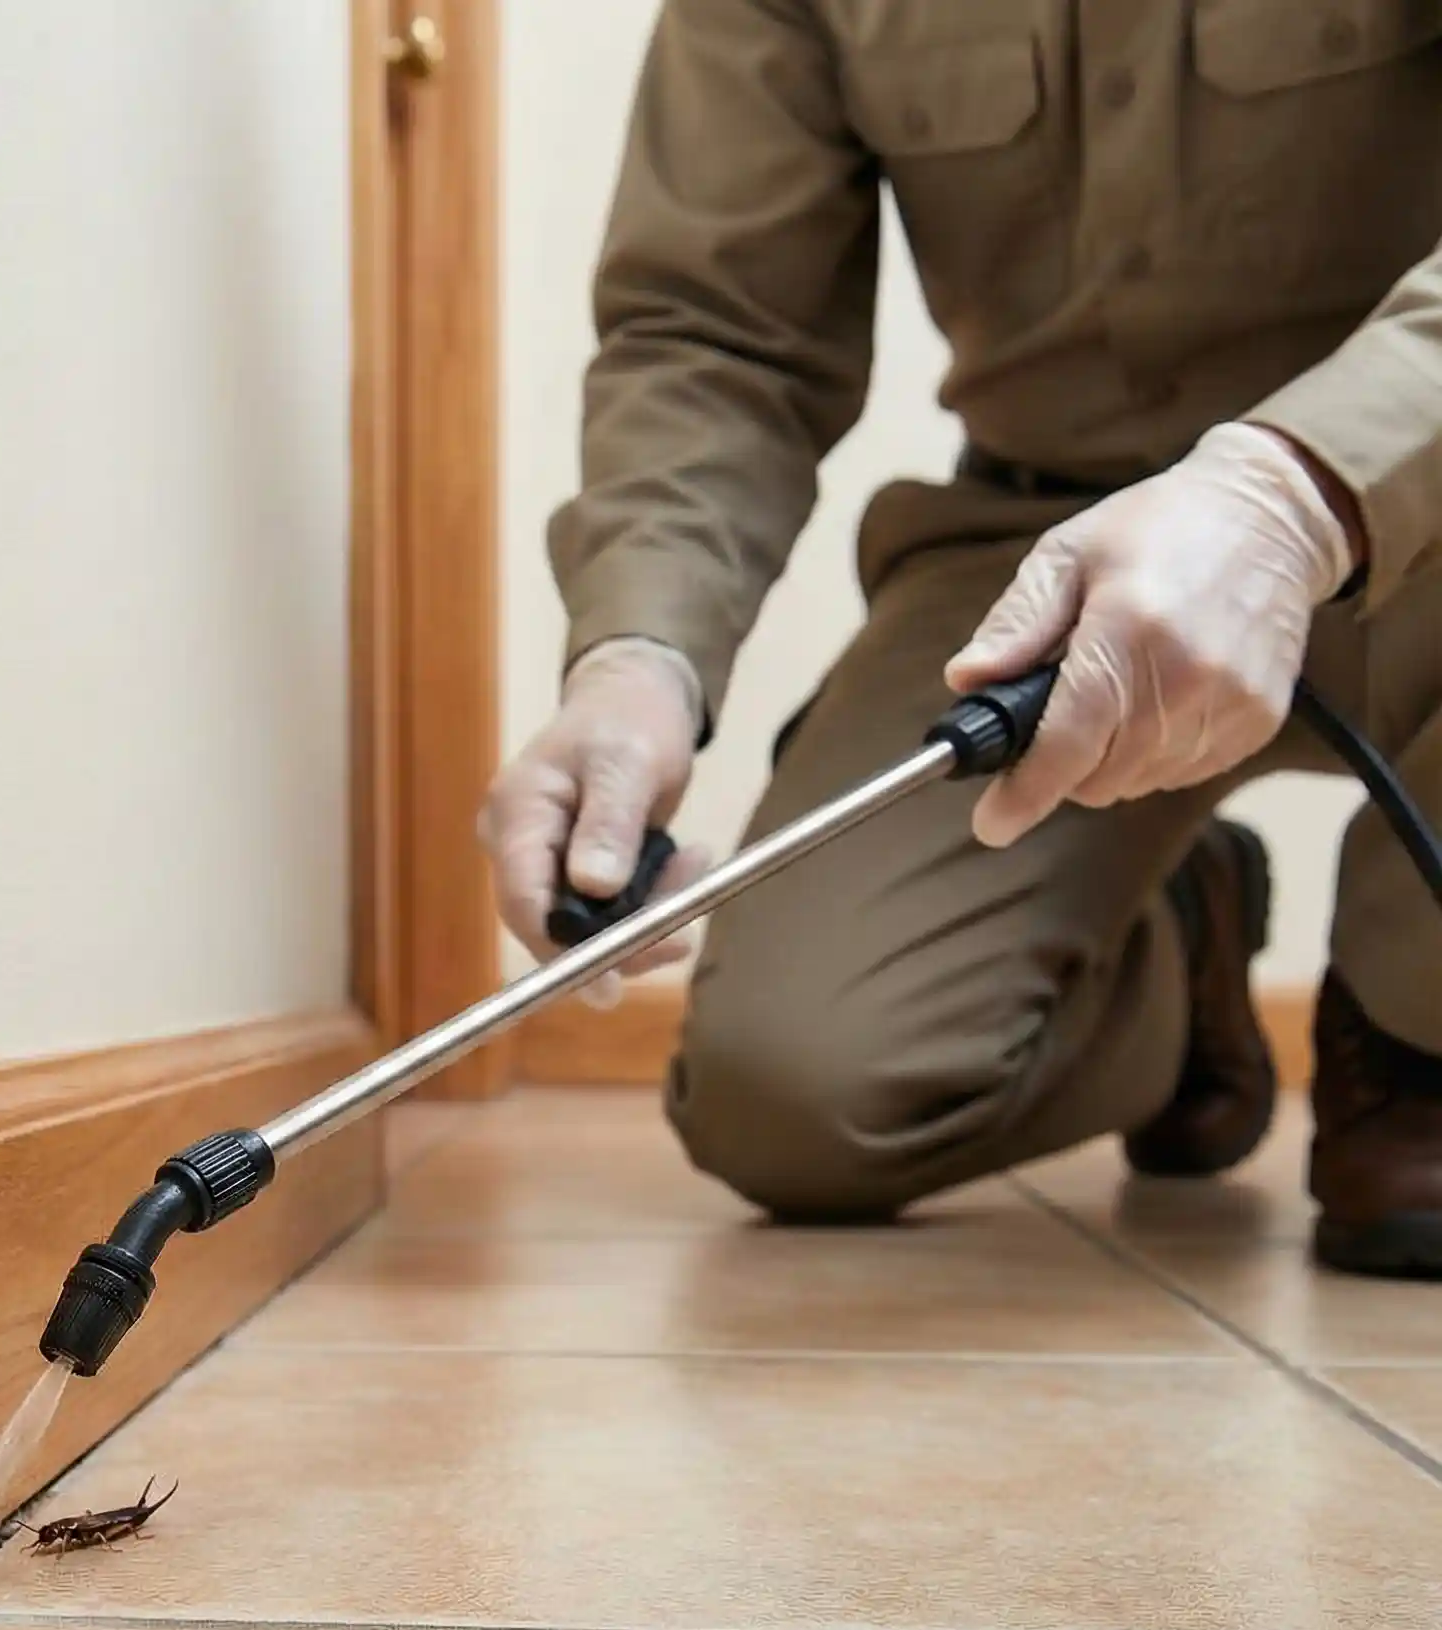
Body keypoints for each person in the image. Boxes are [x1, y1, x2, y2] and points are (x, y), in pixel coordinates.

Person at [480, 0, 1442, 1278]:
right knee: (796, 1102)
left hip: (1417, 488)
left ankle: (1413, 1023)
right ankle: (1181, 936)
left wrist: (1288, 491)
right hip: (1039, 540)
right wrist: (634, 653)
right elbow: (713, 332)